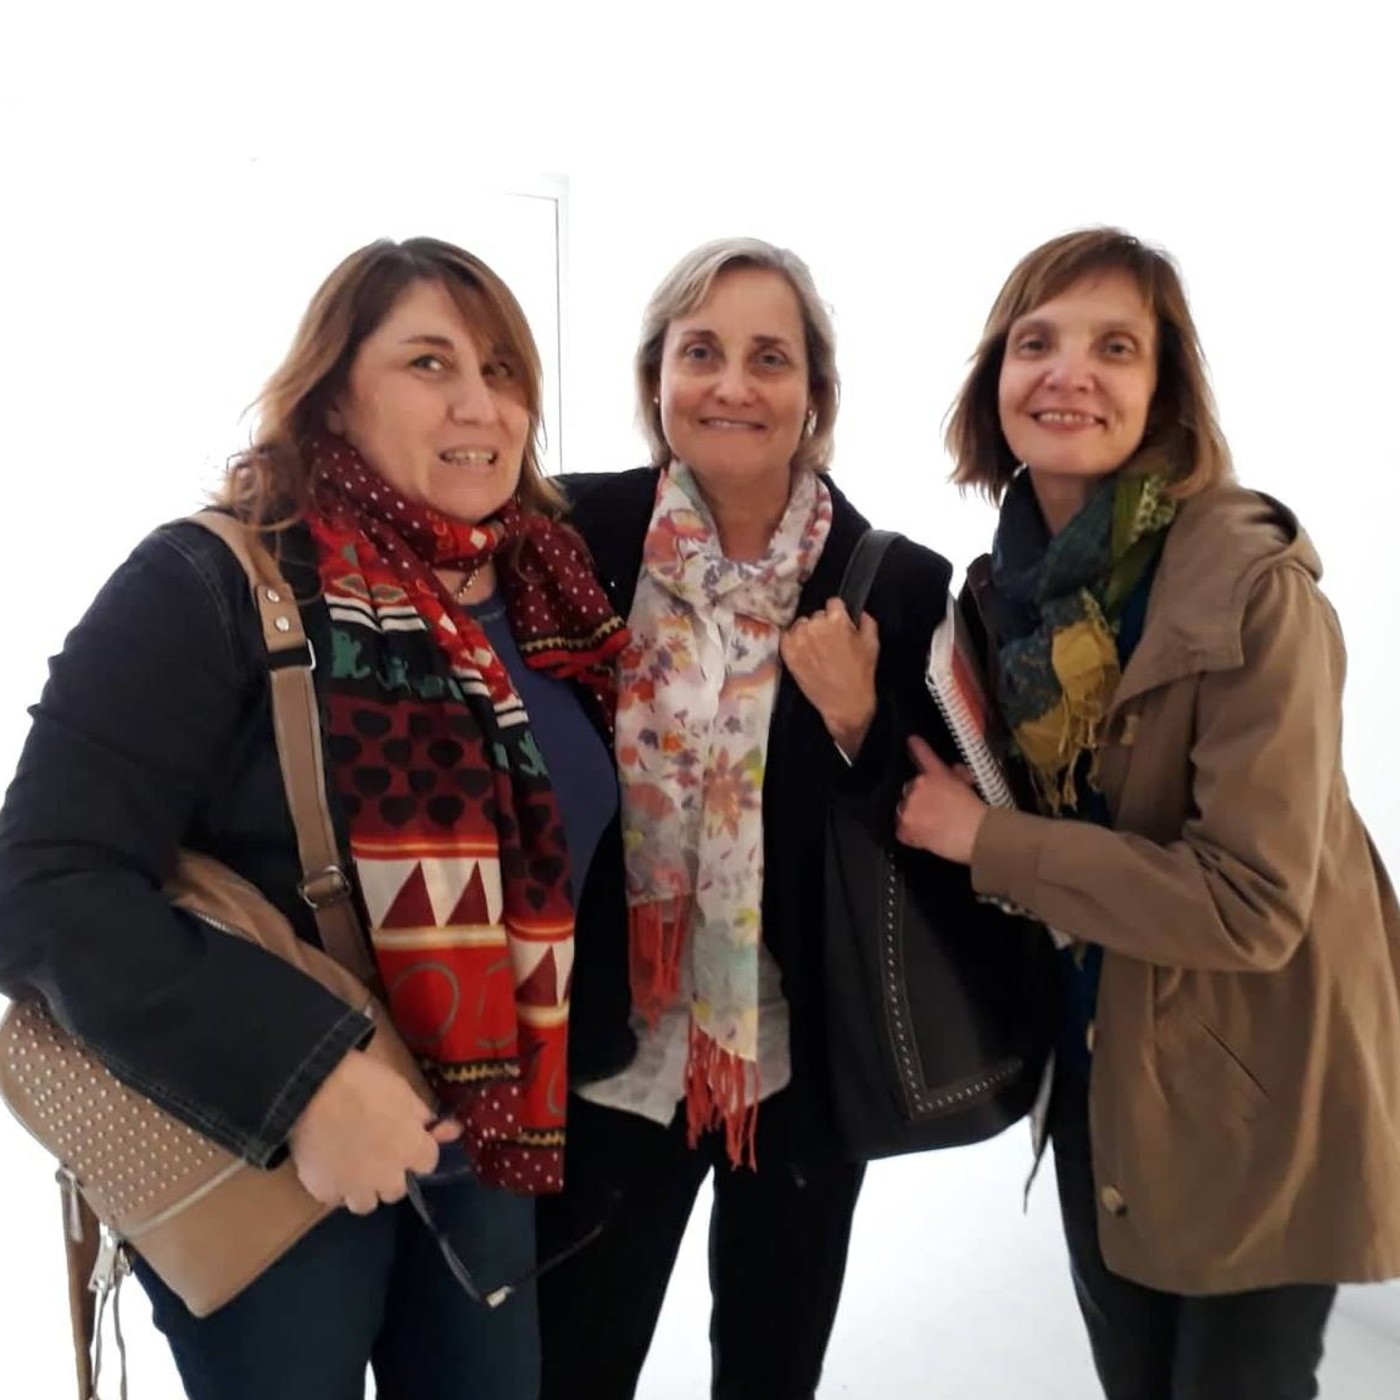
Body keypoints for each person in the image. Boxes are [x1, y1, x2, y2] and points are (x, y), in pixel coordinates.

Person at [0, 236, 629, 1400]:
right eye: (428, 362)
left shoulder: (548, 588)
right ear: (333, 393)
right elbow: (42, 879)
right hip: (273, 1150)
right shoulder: (210, 578)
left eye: (500, 368)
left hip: (488, 1134)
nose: (479, 403)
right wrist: (308, 1080)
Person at [899, 225, 1400, 1399]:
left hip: (1258, 1083)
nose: (1067, 372)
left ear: (1164, 390)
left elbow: (1248, 903)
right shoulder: (1005, 592)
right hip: (1104, 1070)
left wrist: (987, 841)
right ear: (994, 378)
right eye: (1035, 342)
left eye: (1113, 346)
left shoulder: (1250, 588)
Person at [535, 237, 974, 1400]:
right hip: (608, 1049)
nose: (732, 384)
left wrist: (855, 720)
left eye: (768, 357)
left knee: (771, 1369)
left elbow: (939, 838)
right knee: (571, 1363)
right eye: (701, 352)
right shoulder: (569, 536)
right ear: (656, 378)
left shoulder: (893, 583)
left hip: (796, 1061)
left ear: (813, 393)